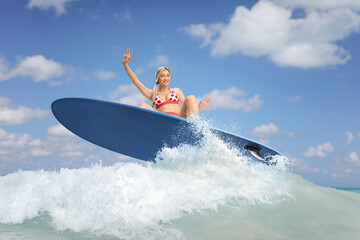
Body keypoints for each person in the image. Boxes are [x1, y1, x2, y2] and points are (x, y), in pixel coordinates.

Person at [122, 48, 211, 119]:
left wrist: (198, 108)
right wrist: (125, 65)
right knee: (142, 105)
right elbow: (136, 81)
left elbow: (189, 108)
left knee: (191, 98)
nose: (166, 78)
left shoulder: (176, 91)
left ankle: (195, 131)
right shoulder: (153, 94)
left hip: (178, 121)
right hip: (163, 123)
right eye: (163, 76)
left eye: (168, 76)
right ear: (157, 78)